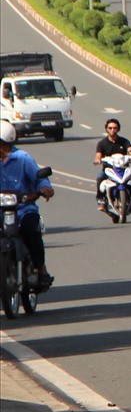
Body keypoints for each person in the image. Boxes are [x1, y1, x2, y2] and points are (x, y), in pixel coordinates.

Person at [0, 120, 56, 292]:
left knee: (31, 229)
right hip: (0, 211)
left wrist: (44, 189)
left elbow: (39, 178)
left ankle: (41, 268)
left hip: (23, 208)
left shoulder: (23, 158)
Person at [92, 117, 131, 212]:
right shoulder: (102, 143)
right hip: (109, 169)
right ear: (106, 129)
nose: (112, 130)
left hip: (123, 169)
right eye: (110, 128)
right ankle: (101, 200)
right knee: (99, 178)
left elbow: (130, 149)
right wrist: (98, 160)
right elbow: (98, 155)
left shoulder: (124, 141)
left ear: (118, 129)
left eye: (115, 128)